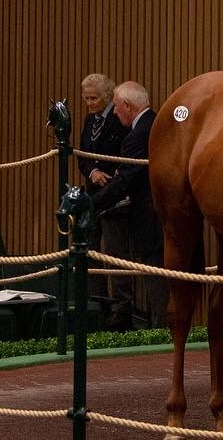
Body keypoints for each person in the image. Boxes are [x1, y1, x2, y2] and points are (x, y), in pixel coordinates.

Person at [92, 80, 166, 329]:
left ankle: (160, 330)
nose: (114, 113)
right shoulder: (158, 123)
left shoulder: (137, 135)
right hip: (166, 214)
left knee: (156, 277)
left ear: (126, 105)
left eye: (115, 107)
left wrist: (92, 203)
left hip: (150, 216)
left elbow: (126, 179)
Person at [77, 73, 133, 317]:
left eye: (94, 98)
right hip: (92, 193)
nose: (89, 103)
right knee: (90, 249)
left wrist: (107, 174)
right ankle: (96, 302)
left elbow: (124, 154)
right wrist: (92, 172)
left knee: (115, 252)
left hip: (115, 196)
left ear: (108, 97)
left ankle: (122, 306)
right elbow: (82, 154)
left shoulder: (119, 118)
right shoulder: (90, 121)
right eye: (86, 98)